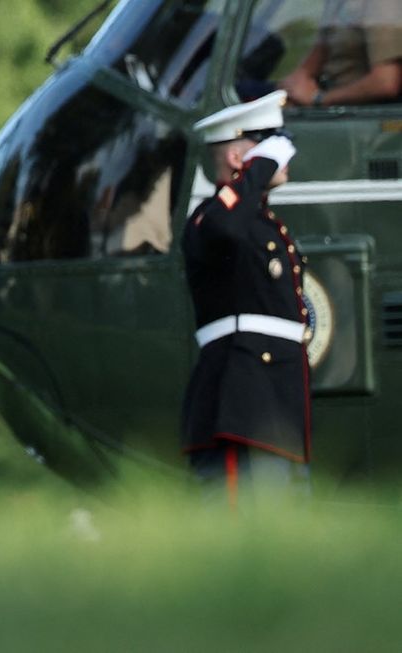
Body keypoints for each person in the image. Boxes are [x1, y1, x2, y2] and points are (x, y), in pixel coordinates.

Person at [181, 90, 310, 508]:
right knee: (243, 518)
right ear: (239, 158)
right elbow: (223, 225)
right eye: (270, 145)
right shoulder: (210, 218)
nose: (283, 156)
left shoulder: (262, 223)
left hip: (275, 399)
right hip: (241, 396)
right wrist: (259, 169)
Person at [279, 0, 402, 107]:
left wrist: (319, 99)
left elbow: (385, 82)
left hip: (365, 117)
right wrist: (293, 87)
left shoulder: (382, 4)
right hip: (332, 109)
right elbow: (315, 58)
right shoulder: (336, 4)